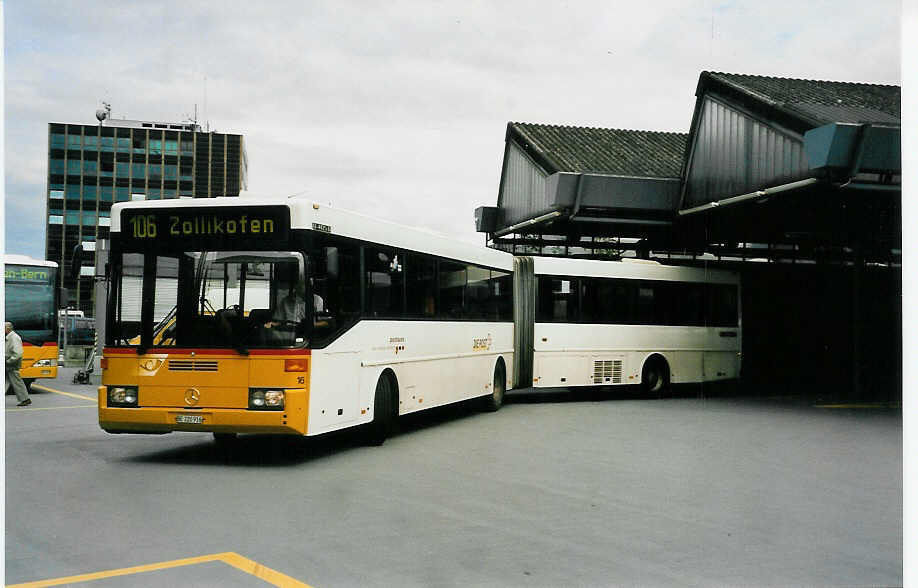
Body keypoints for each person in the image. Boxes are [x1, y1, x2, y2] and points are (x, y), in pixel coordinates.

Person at [6, 322, 31, 406]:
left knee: (16, 381)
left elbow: (18, 353)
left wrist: (9, 361)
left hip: (11, 364)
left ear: (8, 329)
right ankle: (25, 399)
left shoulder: (14, 338)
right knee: (13, 381)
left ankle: (25, 399)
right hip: (9, 363)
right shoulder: (9, 337)